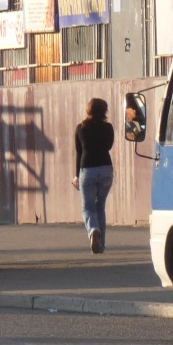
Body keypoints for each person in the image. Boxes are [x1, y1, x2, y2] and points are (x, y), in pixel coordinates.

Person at [73, 98, 114, 255]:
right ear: (104, 111)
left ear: (88, 110)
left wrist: (77, 175)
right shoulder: (108, 127)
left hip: (87, 169)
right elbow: (109, 146)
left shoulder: (80, 128)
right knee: (100, 207)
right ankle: (101, 244)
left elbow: (79, 152)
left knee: (87, 207)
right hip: (105, 169)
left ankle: (93, 230)